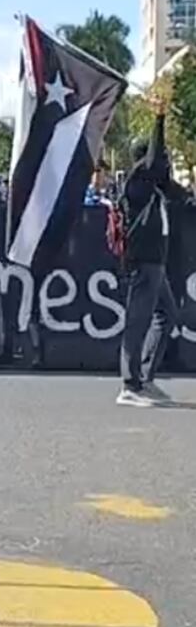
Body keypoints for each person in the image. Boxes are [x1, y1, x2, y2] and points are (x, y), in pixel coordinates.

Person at [117, 102, 191, 407]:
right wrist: (159, 120)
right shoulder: (138, 183)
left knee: (167, 315)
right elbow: (153, 161)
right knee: (138, 321)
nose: (166, 163)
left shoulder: (157, 188)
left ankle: (145, 378)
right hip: (142, 263)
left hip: (156, 264)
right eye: (162, 158)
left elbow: (181, 194)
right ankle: (129, 386)